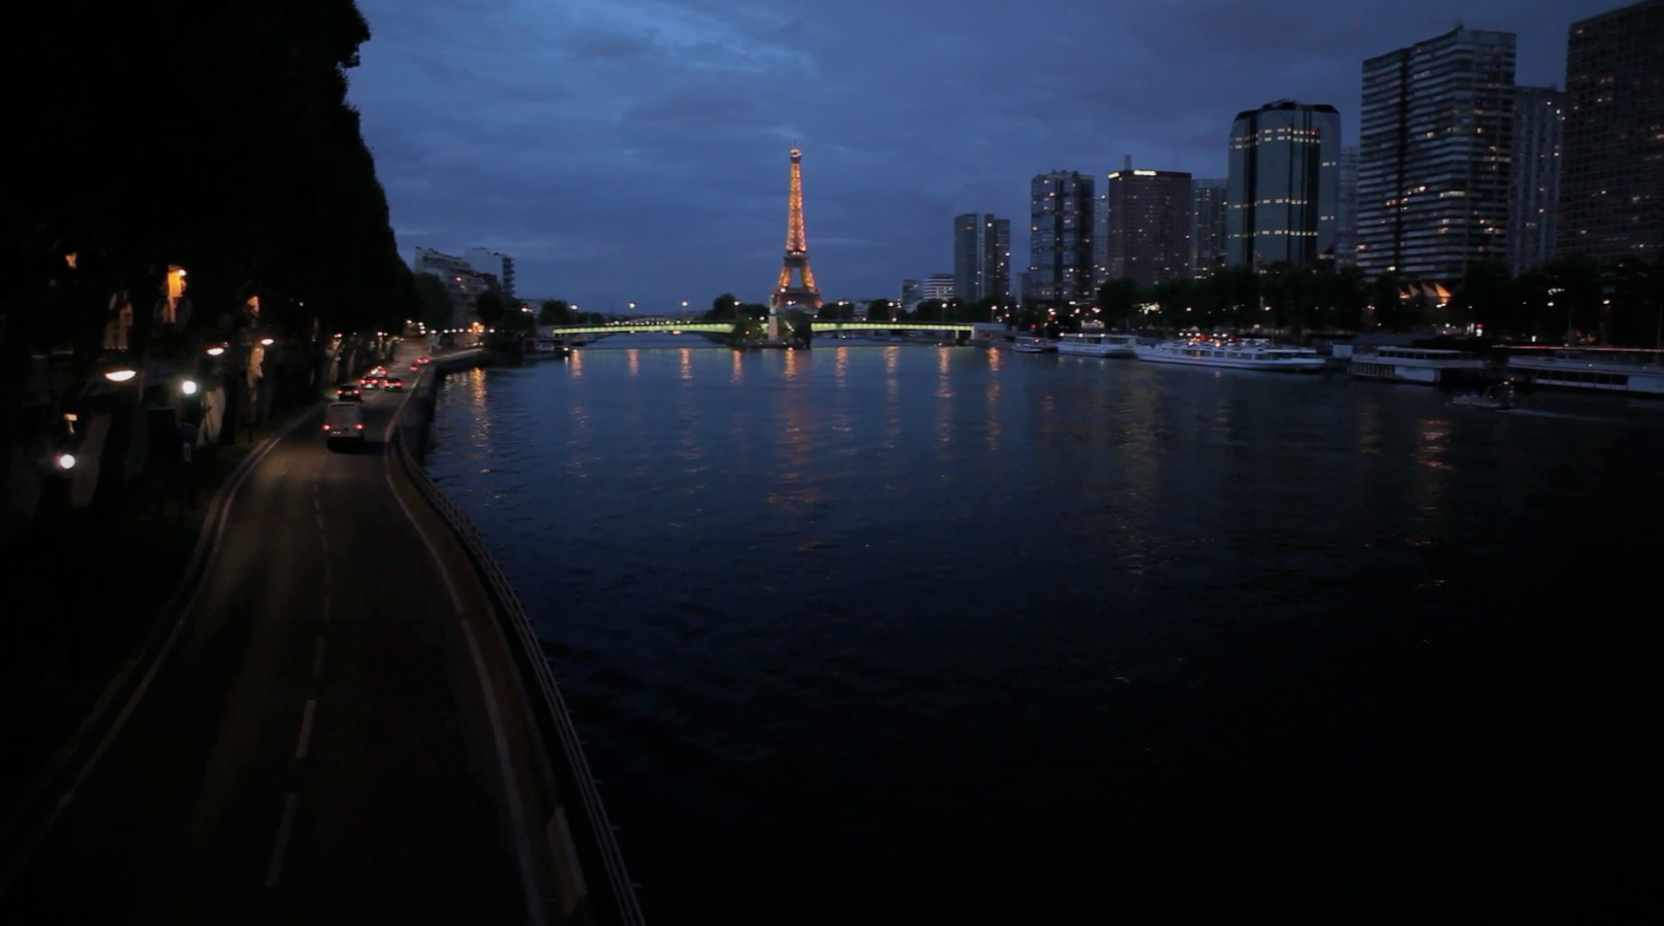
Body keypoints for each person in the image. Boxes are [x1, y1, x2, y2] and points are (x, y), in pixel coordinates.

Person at [177, 421, 197, 511]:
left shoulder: (180, 428)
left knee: (183, 485)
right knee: (190, 484)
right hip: (188, 463)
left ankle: (187, 504)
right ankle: (191, 504)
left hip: (182, 462)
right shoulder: (191, 428)